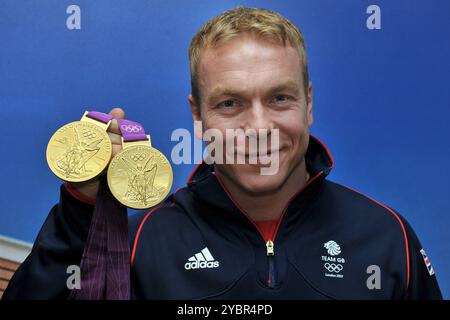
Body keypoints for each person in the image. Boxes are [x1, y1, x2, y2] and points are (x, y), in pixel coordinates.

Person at [3, 7, 442, 299]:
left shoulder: (387, 237)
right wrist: (83, 210)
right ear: (197, 115)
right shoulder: (141, 242)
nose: (257, 127)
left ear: (309, 104)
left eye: (279, 99)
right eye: (230, 103)